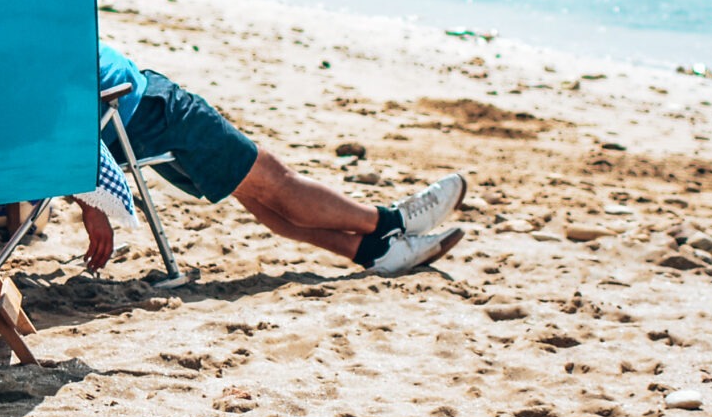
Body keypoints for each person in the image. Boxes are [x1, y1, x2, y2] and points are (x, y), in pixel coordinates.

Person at [85, 42, 464, 276]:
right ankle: (391, 221)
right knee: (275, 183)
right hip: (144, 107)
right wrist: (91, 199)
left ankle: (374, 250)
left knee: (251, 190)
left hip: (126, 116)